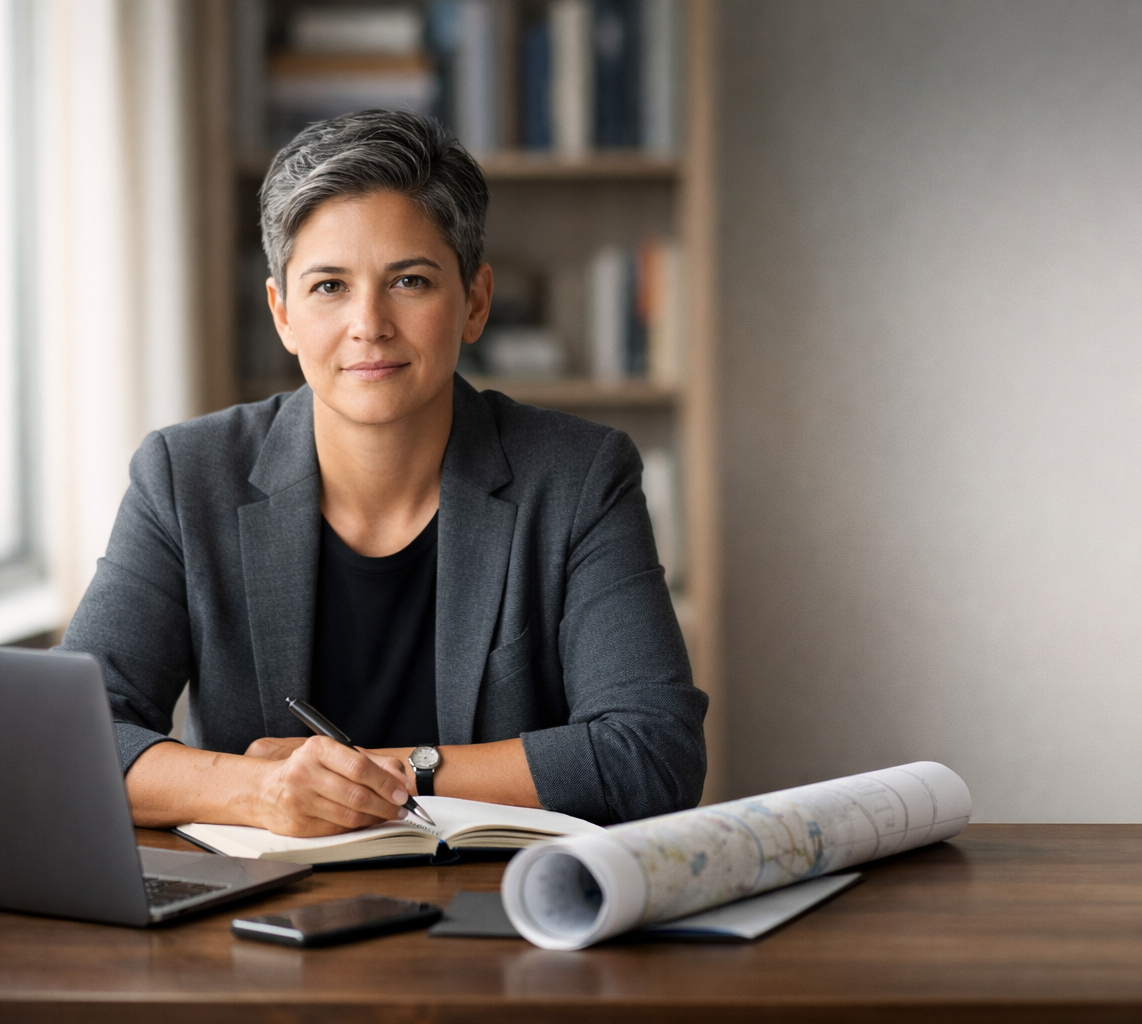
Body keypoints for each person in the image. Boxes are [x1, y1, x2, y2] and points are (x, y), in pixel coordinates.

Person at [61, 110, 706, 836]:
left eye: (409, 280)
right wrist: (261, 790)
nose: (369, 323)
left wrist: (393, 772)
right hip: (257, 920)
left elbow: (654, 754)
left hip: (505, 909)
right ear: (282, 314)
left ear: (476, 302)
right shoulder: (185, 476)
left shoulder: (579, 476)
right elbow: (71, 742)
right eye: (329, 287)